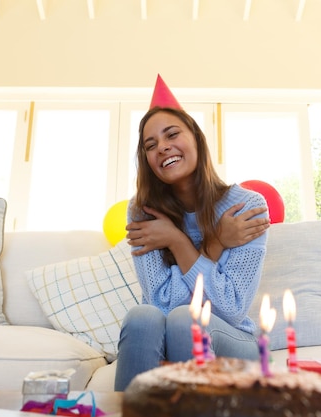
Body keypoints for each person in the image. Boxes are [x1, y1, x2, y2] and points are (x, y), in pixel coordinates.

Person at [114, 75, 270, 391]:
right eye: (150, 145)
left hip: (233, 337)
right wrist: (213, 245)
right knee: (142, 316)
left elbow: (231, 306)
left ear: (196, 138)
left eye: (172, 134)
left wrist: (176, 240)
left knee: (187, 318)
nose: (163, 147)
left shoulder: (246, 205)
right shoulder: (142, 211)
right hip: (175, 327)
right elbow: (160, 305)